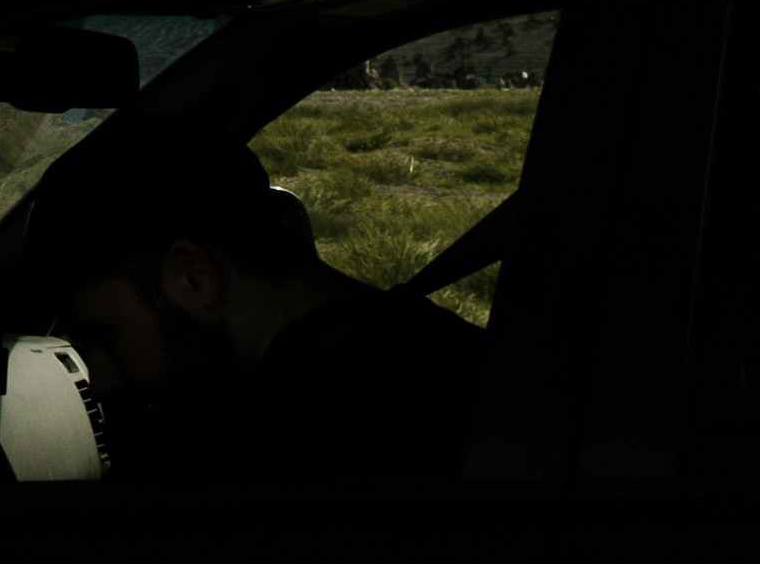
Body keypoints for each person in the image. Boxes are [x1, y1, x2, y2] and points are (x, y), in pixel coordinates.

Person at [36, 119, 479, 484]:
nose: (101, 380)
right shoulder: (452, 354)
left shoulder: (269, 461)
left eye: (104, 335)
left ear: (195, 276)